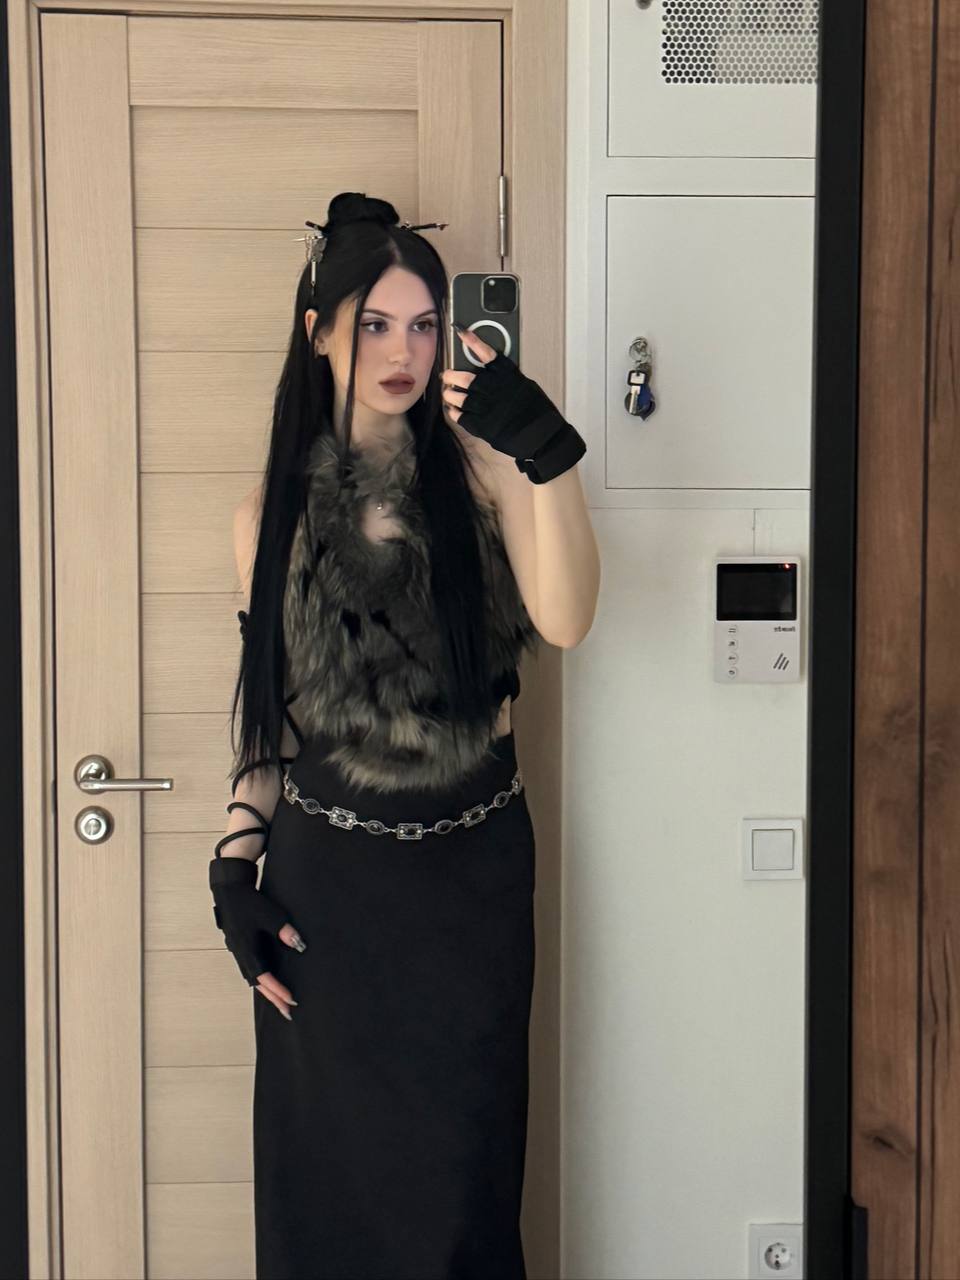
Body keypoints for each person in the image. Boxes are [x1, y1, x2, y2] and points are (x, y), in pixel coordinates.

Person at [206, 191, 587, 1280]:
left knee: (461, 1197)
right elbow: (272, 717)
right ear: (320, 331)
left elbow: (566, 620)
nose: (404, 351)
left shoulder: (484, 475)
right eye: (375, 323)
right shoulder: (266, 516)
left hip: (472, 885)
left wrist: (549, 456)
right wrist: (234, 864)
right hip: (329, 899)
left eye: (424, 325)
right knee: (326, 1196)